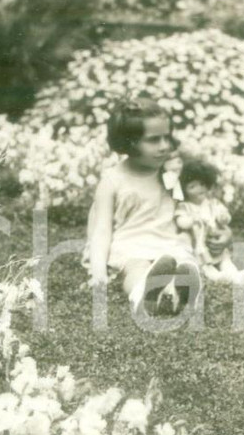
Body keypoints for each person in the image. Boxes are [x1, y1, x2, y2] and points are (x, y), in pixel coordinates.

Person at [85, 98, 202, 316]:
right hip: (131, 244)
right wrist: (98, 272)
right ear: (129, 142)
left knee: (184, 263)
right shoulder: (113, 180)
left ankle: (178, 294)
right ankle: (141, 293)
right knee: (137, 267)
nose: (164, 146)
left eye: (167, 137)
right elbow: (101, 229)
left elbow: (191, 202)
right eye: (154, 140)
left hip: (168, 242)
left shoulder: (169, 175)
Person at [174, 157, 244, 285]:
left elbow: (225, 218)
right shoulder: (185, 206)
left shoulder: (213, 204)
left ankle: (235, 276)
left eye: (203, 184)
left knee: (225, 261)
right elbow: (180, 221)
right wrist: (190, 221)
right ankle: (217, 278)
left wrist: (223, 217)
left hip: (213, 241)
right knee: (205, 265)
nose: (199, 189)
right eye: (192, 186)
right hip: (198, 244)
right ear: (184, 190)